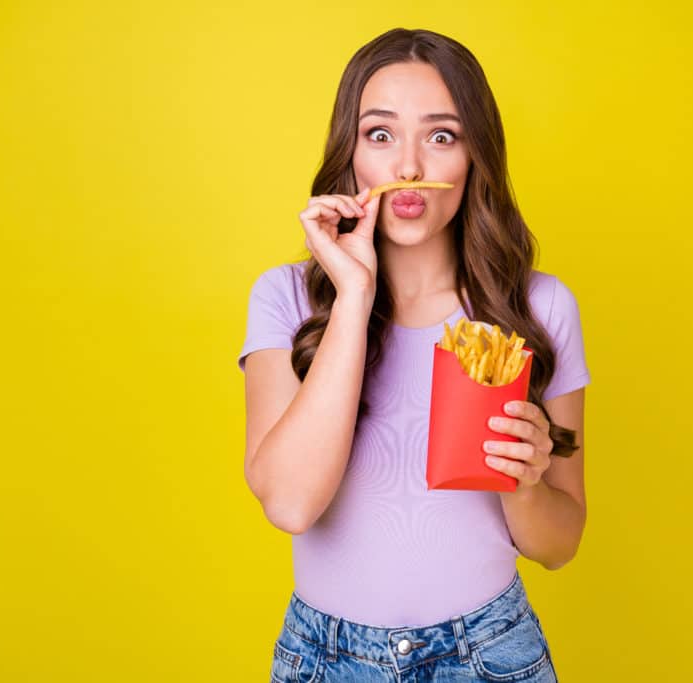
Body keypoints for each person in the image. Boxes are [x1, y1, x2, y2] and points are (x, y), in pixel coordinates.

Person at [238, 27, 590, 682]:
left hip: (492, 654)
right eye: (380, 134)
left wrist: (525, 479)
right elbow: (289, 503)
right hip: (325, 659)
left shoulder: (540, 310)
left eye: (441, 136)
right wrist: (354, 293)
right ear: (351, 152)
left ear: (474, 156)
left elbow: (561, 543)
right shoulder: (286, 299)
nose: (408, 167)